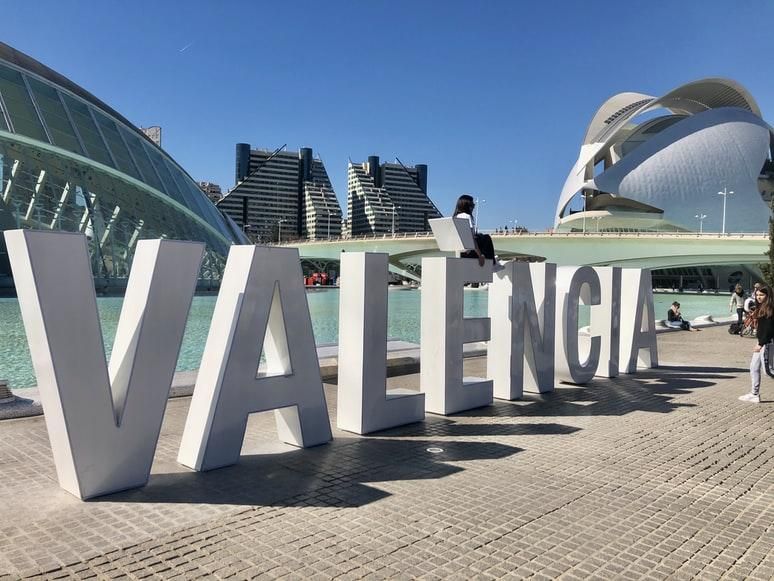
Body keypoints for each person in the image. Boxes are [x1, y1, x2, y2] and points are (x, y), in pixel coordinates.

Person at [740, 285, 774, 403]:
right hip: (761, 342)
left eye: (762, 295)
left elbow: (769, 329)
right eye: (757, 295)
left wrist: (761, 343)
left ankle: (754, 393)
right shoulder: (761, 307)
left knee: (769, 371)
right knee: (753, 367)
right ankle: (754, 394)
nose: (759, 297)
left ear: (768, 296)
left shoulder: (770, 309)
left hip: (767, 343)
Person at [453, 194, 496, 267]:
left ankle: (494, 262)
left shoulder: (455, 217)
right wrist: (480, 255)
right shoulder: (467, 217)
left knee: (481, 236)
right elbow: (471, 239)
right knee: (487, 238)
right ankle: (494, 264)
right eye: (472, 204)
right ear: (467, 206)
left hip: (460, 253)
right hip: (469, 253)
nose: (474, 206)